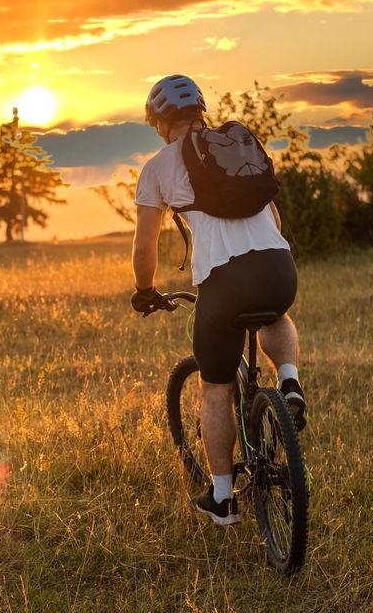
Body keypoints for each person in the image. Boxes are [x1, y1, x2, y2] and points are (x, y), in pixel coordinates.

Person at [130, 74, 305, 526]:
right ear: (201, 111)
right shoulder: (236, 147)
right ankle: (289, 383)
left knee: (216, 388)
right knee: (276, 315)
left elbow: (144, 246)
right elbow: (274, 213)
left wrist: (145, 289)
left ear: (160, 122)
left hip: (225, 283)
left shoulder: (157, 168)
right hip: (279, 268)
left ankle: (224, 498)